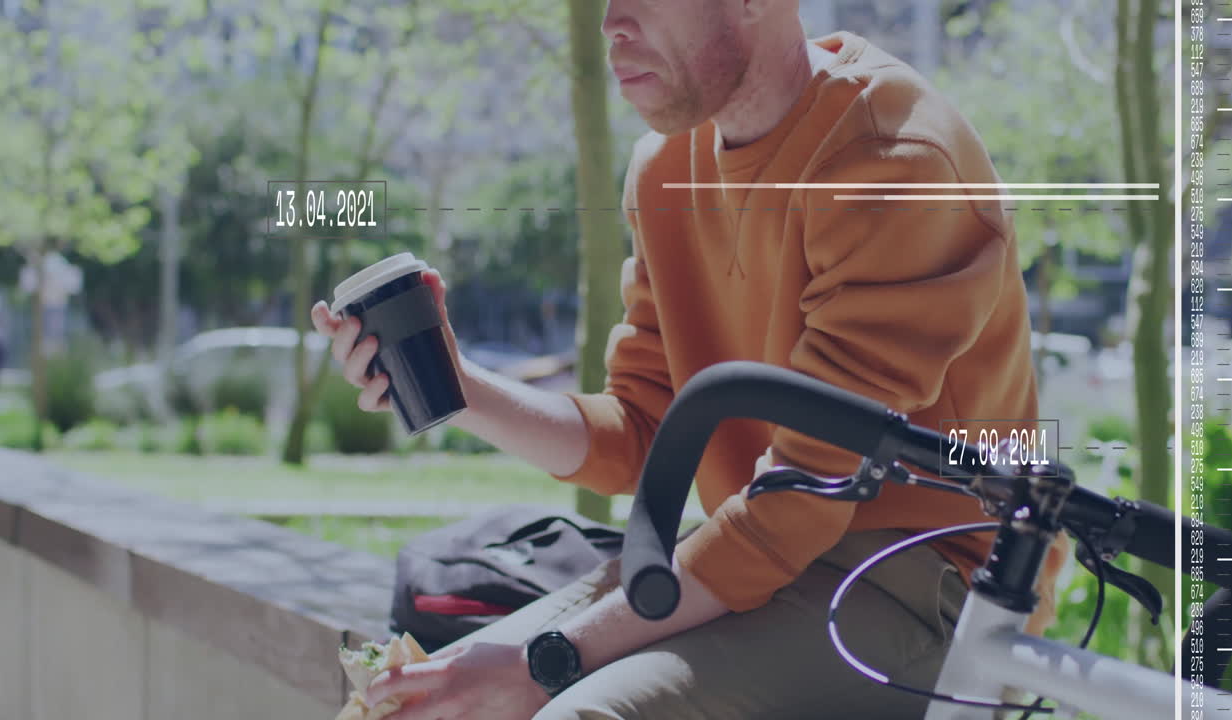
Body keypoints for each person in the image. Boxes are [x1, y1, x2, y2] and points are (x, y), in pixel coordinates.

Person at [312, 1, 1070, 717]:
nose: (611, 24)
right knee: (420, 700)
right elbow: (641, 435)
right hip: (745, 561)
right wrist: (459, 383)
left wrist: (548, 660)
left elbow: (798, 500)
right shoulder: (664, 167)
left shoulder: (890, 159)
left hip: (923, 592)